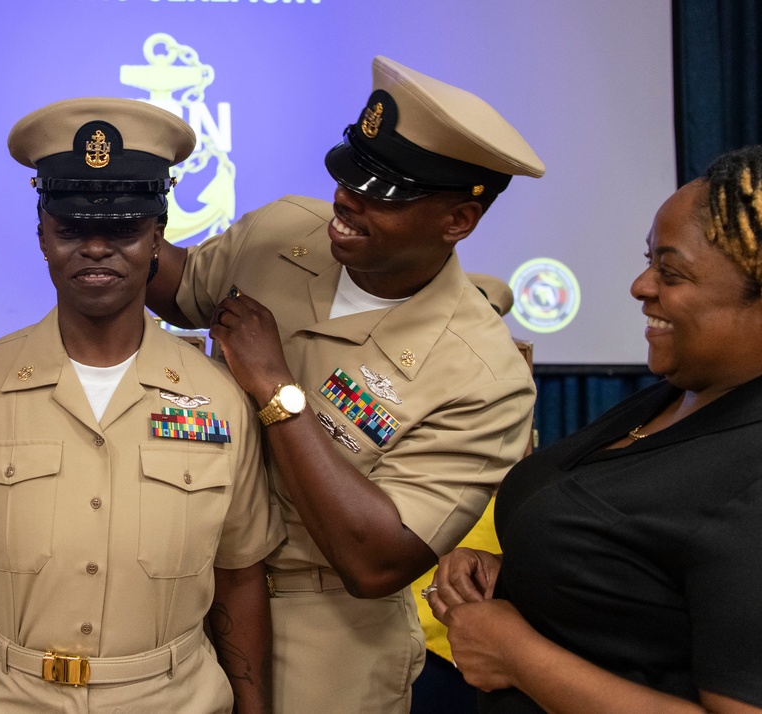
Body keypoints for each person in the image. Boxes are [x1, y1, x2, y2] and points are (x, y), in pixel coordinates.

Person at [146, 56, 545, 712]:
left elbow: (376, 561)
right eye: (350, 171)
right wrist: (117, 209)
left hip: (321, 634)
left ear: (456, 221)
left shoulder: (484, 377)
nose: (347, 200)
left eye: (384, 192)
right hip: (184, 598)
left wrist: (276, 389)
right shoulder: (283, 231)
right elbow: (185, 287)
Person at [0, 98, 285, 714]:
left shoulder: (220, 398)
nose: (96, 249)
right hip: (4, 699)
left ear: (158, 237)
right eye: (72, 228)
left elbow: (239, 576)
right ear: (43, 233)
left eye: (124, 228)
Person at [426, 145, 762, 713]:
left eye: (671, 272)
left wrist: (516, 654)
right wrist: (525, 575)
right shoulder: (682, 393)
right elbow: (653, 589)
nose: (640, 285)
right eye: (649, 259)